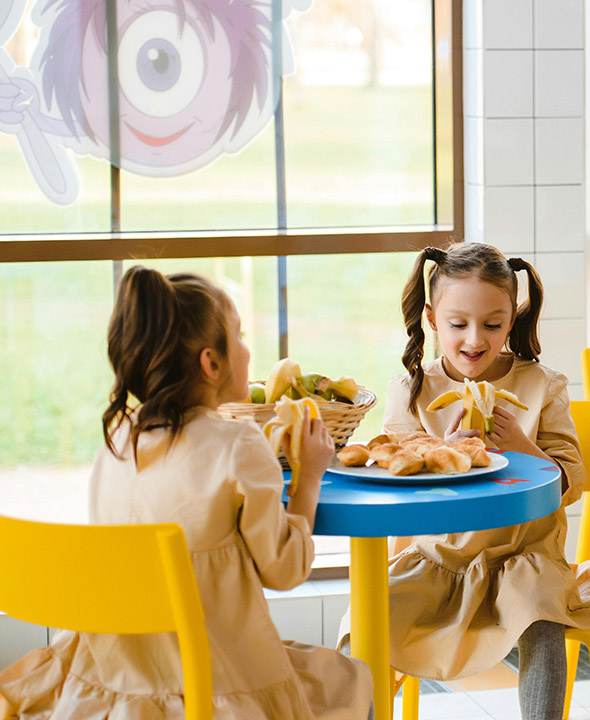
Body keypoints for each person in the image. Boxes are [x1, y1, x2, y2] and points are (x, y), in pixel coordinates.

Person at [0, 267, 373, 719]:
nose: (248, 349)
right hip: (218, 686)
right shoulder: (239, 445)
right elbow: (284, 570)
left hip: (113, 683)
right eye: (239, 335)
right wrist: (308, 477)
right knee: (352, 680)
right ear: (211, 363)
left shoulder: (115, 445)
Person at [346, 243, 590, 720]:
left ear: (514, 318)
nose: (474, 340)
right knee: (363, 625)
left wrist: (525, 447)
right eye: (458, 324)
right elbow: (397, 487)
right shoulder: (413, 390)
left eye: (493, 324)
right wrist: (444, 452)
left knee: (541, 622)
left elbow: (573, 481)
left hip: (525, 559)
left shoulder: (543, 385)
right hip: (440, 559)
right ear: (432, 318)